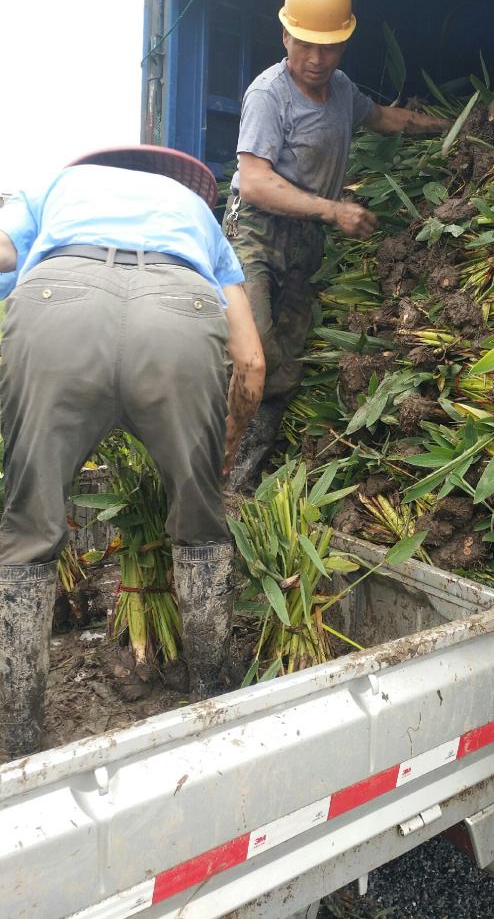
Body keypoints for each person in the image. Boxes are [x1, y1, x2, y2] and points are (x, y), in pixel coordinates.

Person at [0, 146, 266, 761]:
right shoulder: (197, 217)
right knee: (200, 527)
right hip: (177, 313)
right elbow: (250, 360)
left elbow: (6, 251)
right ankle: (208, 703)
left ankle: (17, 745)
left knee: (28, 528)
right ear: (178, 185)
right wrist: (220, 444)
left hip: (57, 305)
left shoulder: (61, 186)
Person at [225, 0, 450, 489]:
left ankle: (244, 476)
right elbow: (255, 183)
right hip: (255, 234)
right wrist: (333, 210)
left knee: (284, 365)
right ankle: (215, 475)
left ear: (344, 42)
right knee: (249, 354)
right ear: (285, 36)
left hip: (304, 242)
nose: (316, 60)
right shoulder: (269, 95)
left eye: (328, 48)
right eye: (305, 45)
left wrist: (448, 125)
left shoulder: (343, 90)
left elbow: (384, 120)